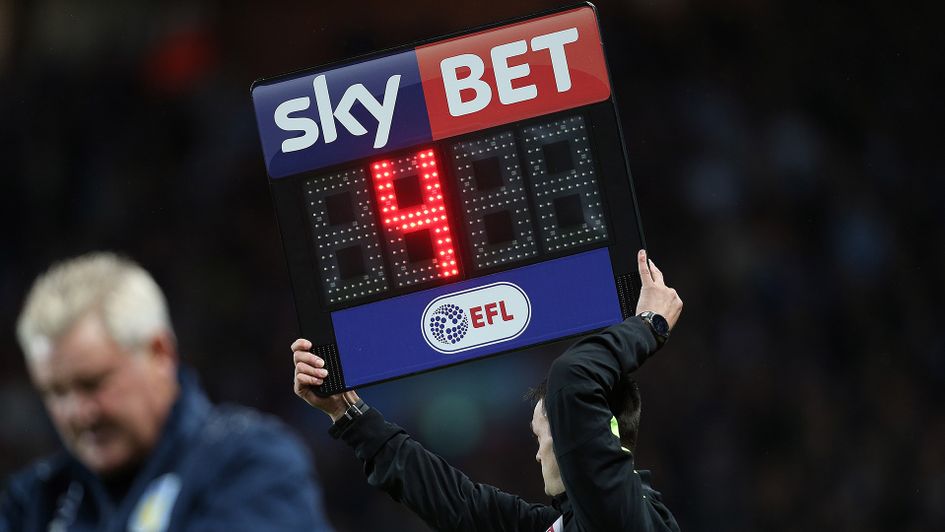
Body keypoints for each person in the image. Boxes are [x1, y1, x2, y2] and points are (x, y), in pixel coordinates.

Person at [292, 249, 683, 531]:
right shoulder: (579, 522)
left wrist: (650, 325)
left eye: (541, 434)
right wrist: (348, 411)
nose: (538, 453)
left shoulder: (622, 516)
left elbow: (573, 377)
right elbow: (460, 507)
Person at [2, 252, 334, 532]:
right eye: (56, 393)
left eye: (94, 384)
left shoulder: (251, 464)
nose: (79, 413)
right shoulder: (34, 502)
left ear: (160, 353)